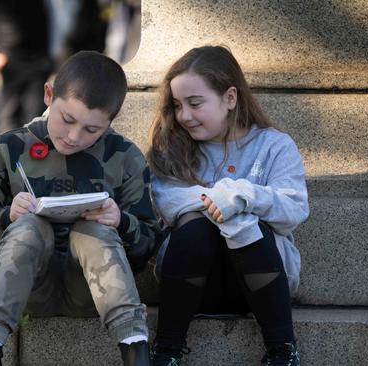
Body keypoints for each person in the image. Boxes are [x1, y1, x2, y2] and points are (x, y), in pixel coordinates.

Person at [0, 50, 158, 366]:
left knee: (95, 228)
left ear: (110, 121)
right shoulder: (8, 149)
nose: (75, 136)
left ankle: (136, 351)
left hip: (93, 292)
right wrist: (6, 216)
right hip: (27, 288)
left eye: (92, 130)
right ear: (49, 95)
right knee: (27, 226)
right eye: (67, 119)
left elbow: (149, 242)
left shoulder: (125, 157)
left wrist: (121, 222)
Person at [146, 45, 309, 366]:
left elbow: (294, 208)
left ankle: (282, 351)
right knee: (196, 224)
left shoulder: (275, 145)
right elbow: (167, 202)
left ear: (230, 98)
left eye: (195, 103)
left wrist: (241, 197)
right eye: (178, 105)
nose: (184, 116)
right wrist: (219, 202)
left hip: (260, 285)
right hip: (190, 282)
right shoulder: (174, 146)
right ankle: (166, 351)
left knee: (244, 223)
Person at [0, 0, 53, 134]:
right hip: (9, 59)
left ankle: (33, 153)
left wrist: (55, 51)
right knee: (9, 117)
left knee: (37, 117)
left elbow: (55, 16)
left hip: (39, 59)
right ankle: (5, 153)